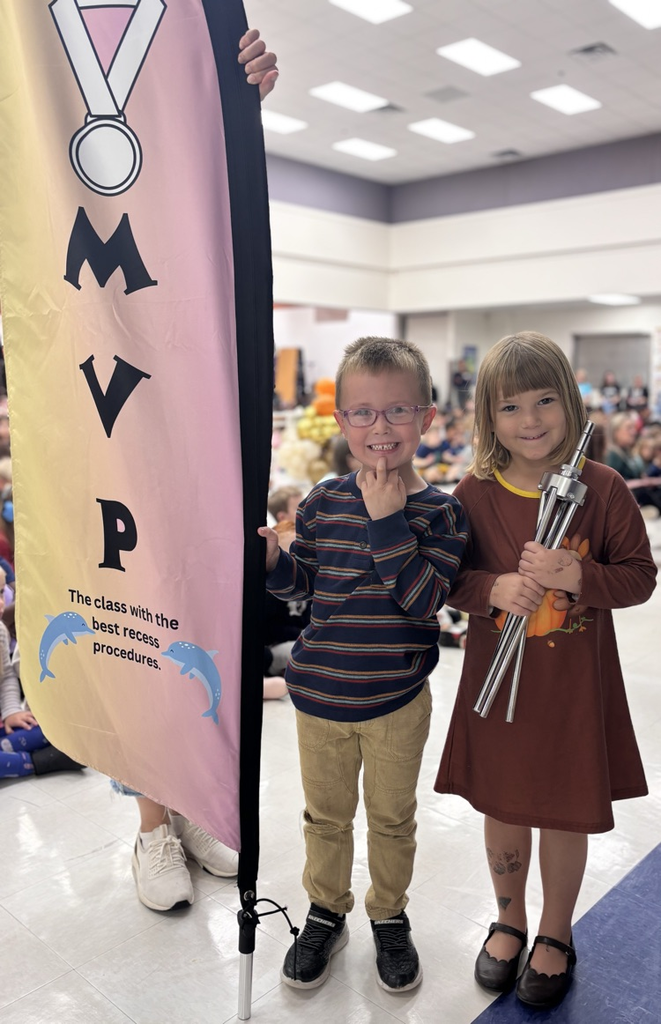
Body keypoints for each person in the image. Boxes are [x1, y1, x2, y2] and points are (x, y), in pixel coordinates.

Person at [435, 332, 656, 1011]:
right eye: (509, 407)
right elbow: (449, 580)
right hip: (496, 688)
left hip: (571, 693)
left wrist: (577, 575)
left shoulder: (604, 488)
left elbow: (639, 577)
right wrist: (493, 589)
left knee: (563, 809)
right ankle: (509, 919)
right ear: (487, 416)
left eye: (543, 401)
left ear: (569, 402)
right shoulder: (472, 493)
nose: (529, 420)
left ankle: (556, 931)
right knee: (502, 804)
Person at [113, 25, 279, 913]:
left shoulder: (174, 37)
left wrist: (231, 95)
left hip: (196, 366)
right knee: (138, 605)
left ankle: (189, 800)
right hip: (110, 362)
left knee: (198, 606)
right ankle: (151, 822)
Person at [258, 336, 469, 993]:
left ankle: (388, 914)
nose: (380, 427)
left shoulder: (442, 513)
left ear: (426, 417)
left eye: (398, 410)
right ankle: (326, 911)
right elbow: (304, 587)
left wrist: (386, 522)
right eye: (362, 412)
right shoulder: (321, 502)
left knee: (390, 820)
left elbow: (423, 600)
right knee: (324, 818)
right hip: (319, 699)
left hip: (396, 702)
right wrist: (273, 562)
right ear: (341, 420)